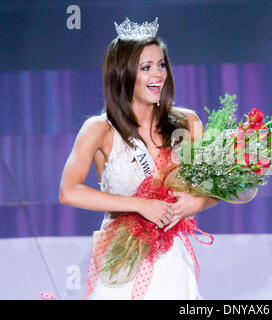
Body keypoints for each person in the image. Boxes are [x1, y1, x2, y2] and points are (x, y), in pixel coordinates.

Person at [58, 17, 220, 299]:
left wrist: (197, 202)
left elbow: (213, 187)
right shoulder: (100, 129)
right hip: (122, 257)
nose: (157, 74)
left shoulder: (187, 122)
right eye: (146, 68)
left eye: (161, 65)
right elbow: (69, 191)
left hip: (171, 259)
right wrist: (141, 205)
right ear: (123, 74)